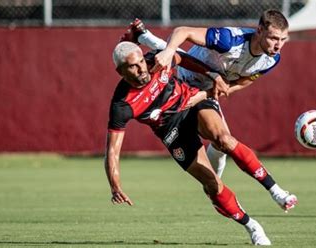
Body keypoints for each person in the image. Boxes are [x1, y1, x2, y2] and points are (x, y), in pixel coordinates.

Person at [120, 10, 297, 211]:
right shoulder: (229, 40)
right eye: (274, 38)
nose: (278, 45)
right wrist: (169, 51)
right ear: (259, 31)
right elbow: (182, 31)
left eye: (283, 39)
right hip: (186, 78)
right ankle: (272, 191)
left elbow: (243, 81)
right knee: (173, 56)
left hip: (206, 90)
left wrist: (210, 93)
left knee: (223, 142)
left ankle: (218, 187)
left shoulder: (272, 59)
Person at [105, 41, 276, 245]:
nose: (141, 67)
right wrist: (115, 186)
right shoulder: (122, 104)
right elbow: (113, 152)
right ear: (120, 71)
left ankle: (274, 189)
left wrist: (212, 75)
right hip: (172, 132)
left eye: (141, 60)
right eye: (133, 65)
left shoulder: (157, 61)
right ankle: (252, 226)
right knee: (212, 184)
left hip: (191, 103)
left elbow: (183, 58)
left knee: (224, 139)